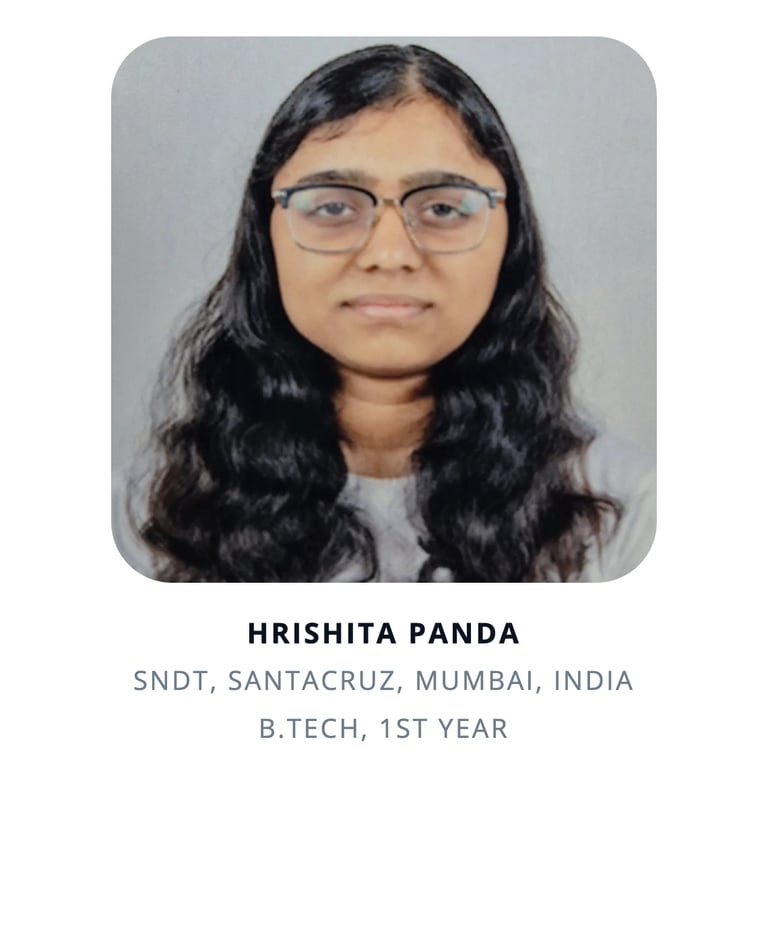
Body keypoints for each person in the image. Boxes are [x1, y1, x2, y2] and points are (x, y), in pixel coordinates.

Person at [115, 43, 655, 582]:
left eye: (443, 207)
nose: (391, 254)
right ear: (265, 237)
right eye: (333, 206)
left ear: (511, 239)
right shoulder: (141, 523)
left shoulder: (629, 517)